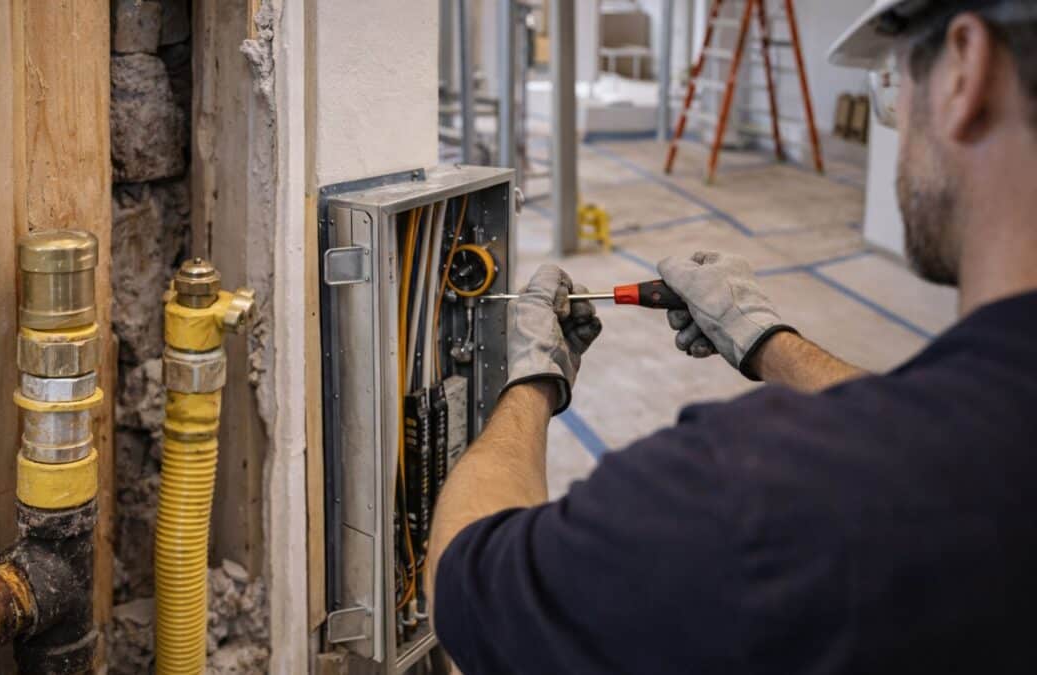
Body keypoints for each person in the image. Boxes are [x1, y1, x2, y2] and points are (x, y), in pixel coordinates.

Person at [427, 0, 1037, 672]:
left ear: (964, 71)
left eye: (896, 87)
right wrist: (769, 340)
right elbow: (927, 431)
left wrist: (533, 379)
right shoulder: (988, 440)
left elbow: (468, 584)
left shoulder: (747, 494)